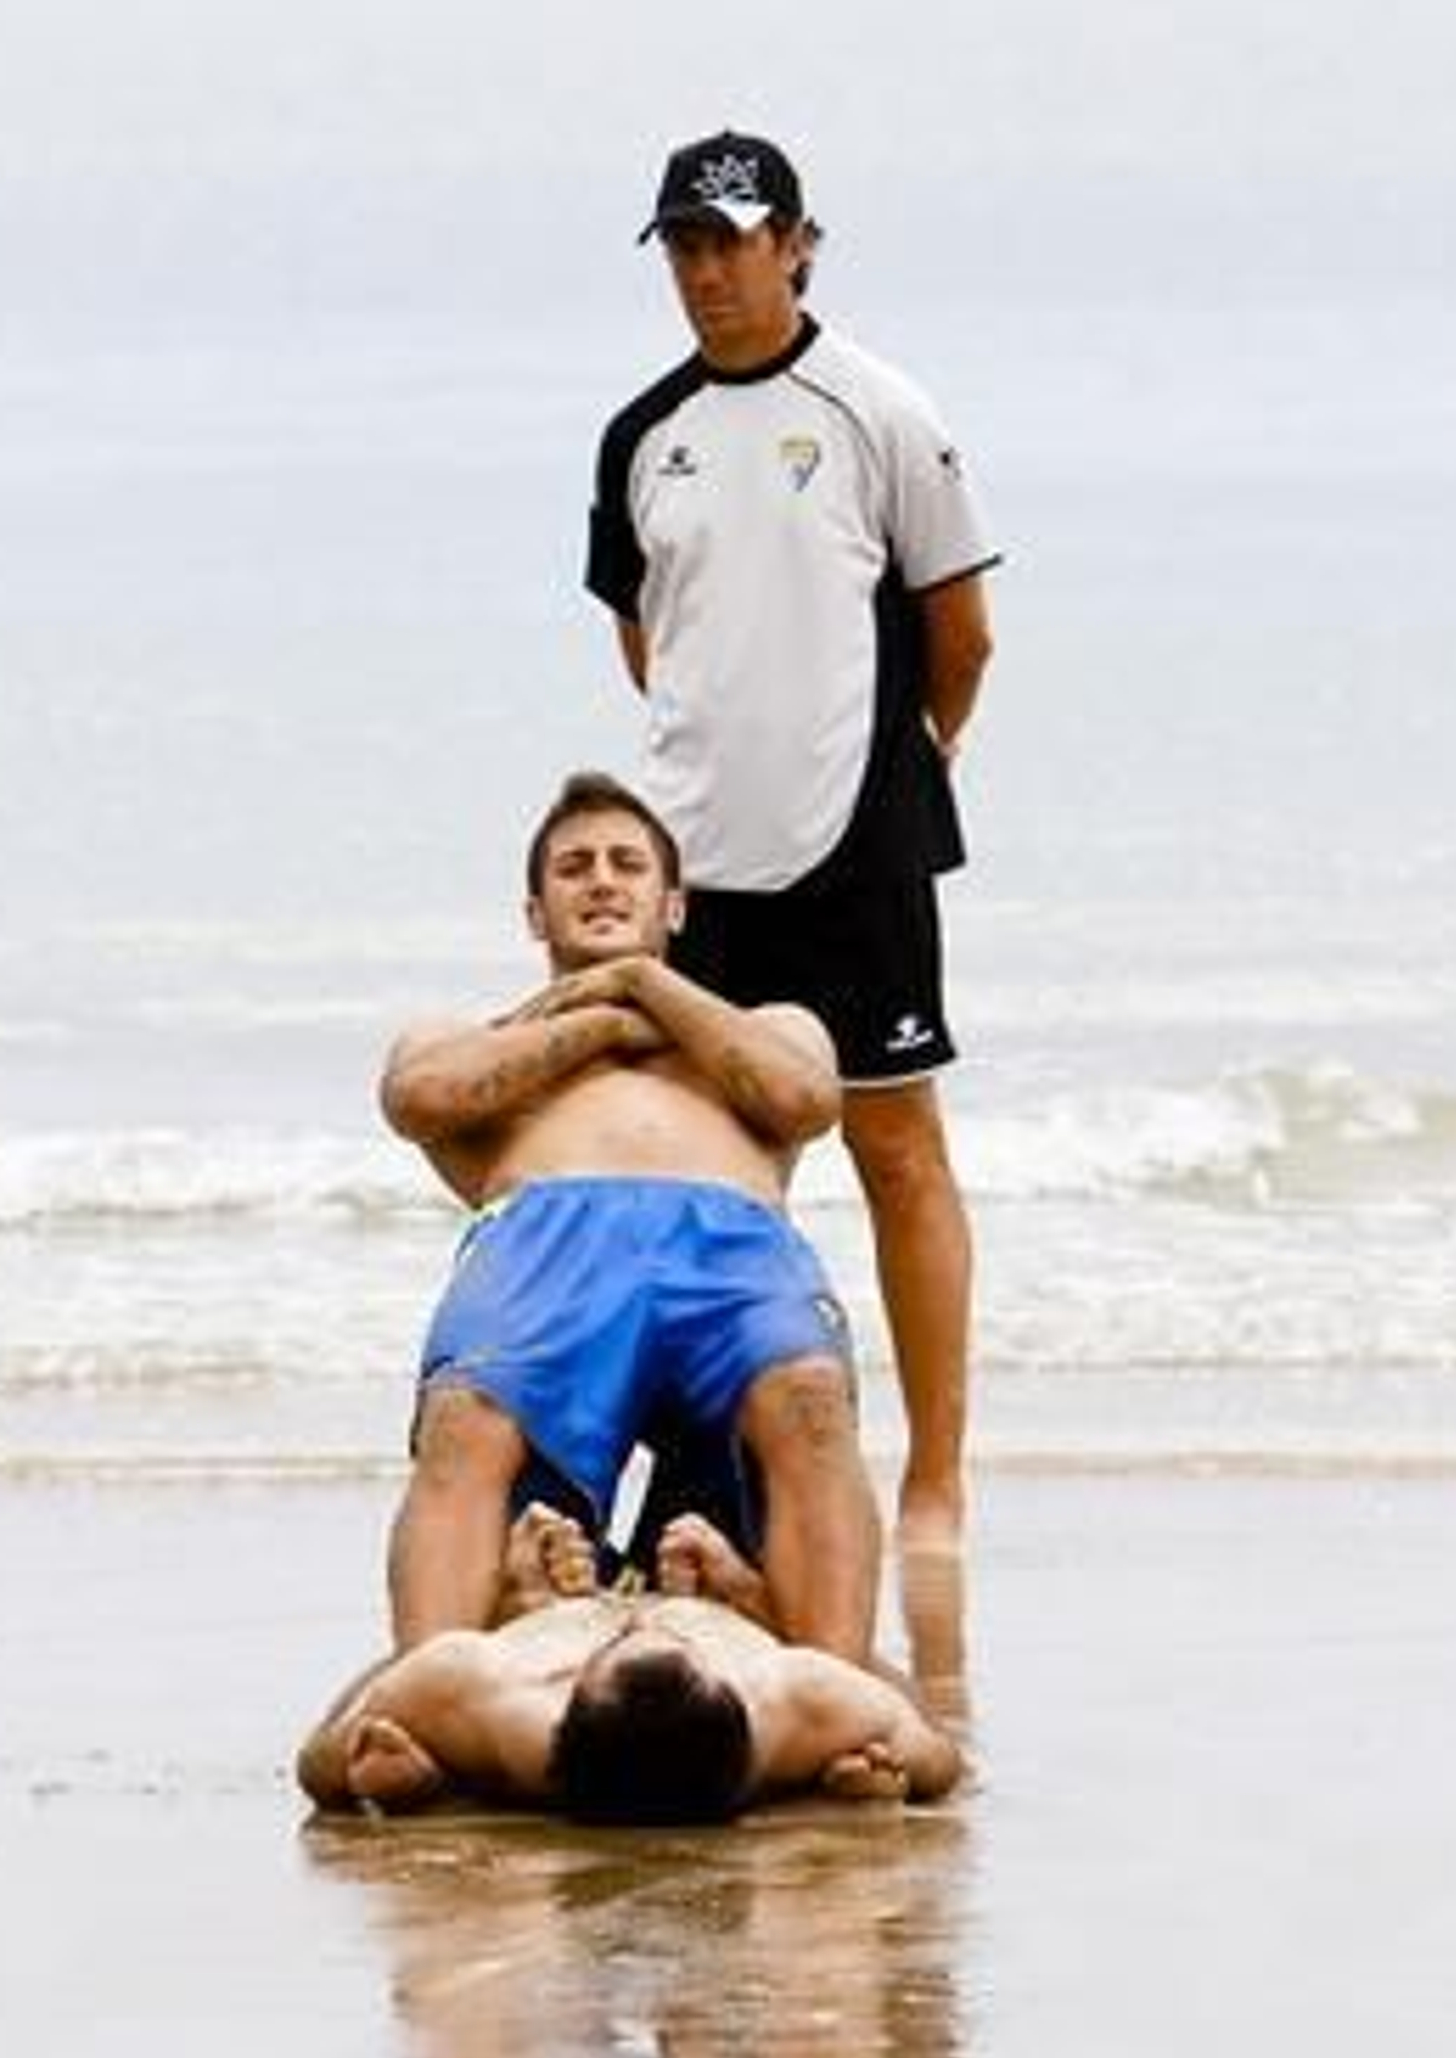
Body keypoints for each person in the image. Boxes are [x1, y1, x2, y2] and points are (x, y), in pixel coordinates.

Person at [586, 129, 1000, 1553]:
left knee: (897, 1149)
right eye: (687, 246)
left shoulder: (881, 409)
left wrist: (897, 771)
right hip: (700, 863)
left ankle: (936, 1476)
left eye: (734, 239)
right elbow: (655, 646)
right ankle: (712, 1483)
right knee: (709, 1172)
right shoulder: (644, 433)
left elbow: (964, 635)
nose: (710, 270)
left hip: (859, 849)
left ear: (799, 243)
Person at [379, 771, 881, 1661]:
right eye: (573, 867)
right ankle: (433, 1690)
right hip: (546, 1251)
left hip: (731, 1253)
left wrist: (645, 985)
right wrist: (606, 1019)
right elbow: (418, 1095)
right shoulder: (469, 1039)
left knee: (809, 1398)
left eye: (628, 864)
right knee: (466, 1417)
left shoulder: (771, 1025)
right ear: (535, 913)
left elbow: (806, 1098)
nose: (602, 880)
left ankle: (833, 1687)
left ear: (675, 903)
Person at [297, 1507, 963, 1821]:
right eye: (668, 1635)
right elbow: (941, 1755)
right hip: (724, 1587)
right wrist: (755, 1604)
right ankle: (816, 1798)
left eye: (619, 1641)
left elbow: (318, 1758)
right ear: (736, 1692)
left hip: (541, 1612)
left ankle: (447, 1786)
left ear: (565, 1694)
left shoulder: (492, 1696)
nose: (642, 1619)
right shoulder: (796, 1695)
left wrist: (497, 1610)